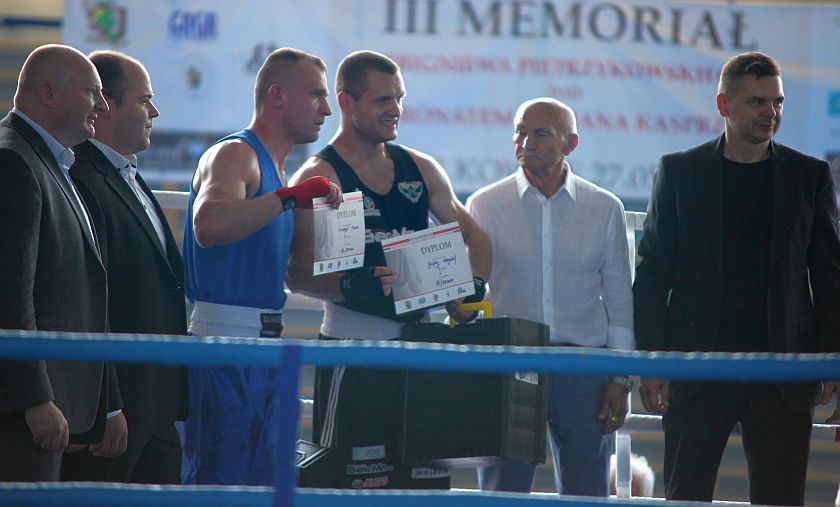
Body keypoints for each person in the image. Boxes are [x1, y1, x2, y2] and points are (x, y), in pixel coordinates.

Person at [633, 51, 840, 505]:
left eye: (778, 102)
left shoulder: (810, 176)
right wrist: (652, 363)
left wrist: (831, 358)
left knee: (782, 499)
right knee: (686, 495)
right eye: (757, 102)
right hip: (698, 365)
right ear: (724, 105)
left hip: (783, 369)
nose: (771, 113)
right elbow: (652, 273)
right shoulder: (680, 172)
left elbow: (829, 278)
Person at [286, 50, 491, 490]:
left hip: (420, 349)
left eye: (399, 98)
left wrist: (469, 292)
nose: (394, 110)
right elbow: (297, 272)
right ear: (346, 103)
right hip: (352, 350)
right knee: (348, 485)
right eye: (382, 100)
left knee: (426, 487)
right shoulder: (321, 174)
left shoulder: (420, 166)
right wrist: (348, 283)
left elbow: (477, 240)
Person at [179, 47, 339, 486]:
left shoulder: (279, 171)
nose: (327, 109)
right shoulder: (235, 154)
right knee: (219, 482)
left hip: (269, 347)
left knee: (268, 485)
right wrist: (289, 199)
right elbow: (208, 225)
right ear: (277, 96)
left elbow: (293, 273)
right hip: (223, 346)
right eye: (316, 95)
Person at [465, 97, 634, 496]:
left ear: (570, 143)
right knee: (503, 491)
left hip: (584, 368)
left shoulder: (604, 208)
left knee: (587, 492)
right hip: (508, 365)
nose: (526, 142)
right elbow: (468, 297)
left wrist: (622, 379)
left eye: (540, 133)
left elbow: (620, 303)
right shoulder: (485, 206)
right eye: (520, 132)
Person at [60, 50, 188, 484]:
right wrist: (107, 404)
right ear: (107, 105)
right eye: (144, 100)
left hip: (156, 401)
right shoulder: (80, 178)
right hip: (116, 406)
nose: (154, 111)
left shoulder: (126, 174)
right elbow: (87, 299)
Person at [0, 44, 125, 481]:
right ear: (50, 95)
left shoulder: (45, 161)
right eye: (93, 92)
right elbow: (9, 292)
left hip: (49, 406)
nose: (103, 105)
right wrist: (33, 398)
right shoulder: (12, 161)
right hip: (19, 413)